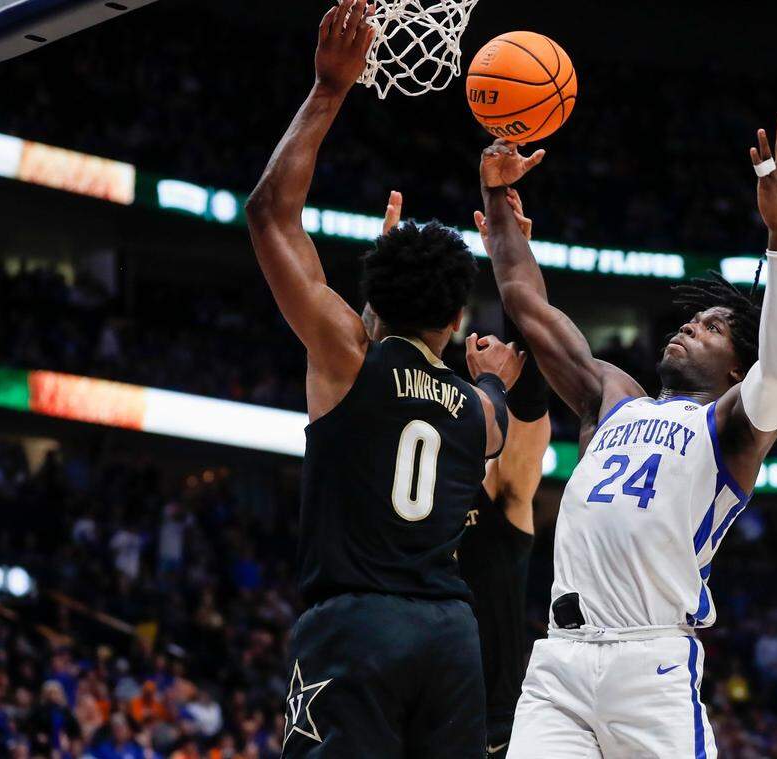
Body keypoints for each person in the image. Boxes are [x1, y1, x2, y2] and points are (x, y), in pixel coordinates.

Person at [478, 115, 777, 757]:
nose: (689, 327)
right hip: (559, 661)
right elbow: (528, 306)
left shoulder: (733, 425)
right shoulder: (612, 398)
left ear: (737, 370)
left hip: (650, 662)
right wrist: (497, 196)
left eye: (712, 328)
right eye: (691, 320)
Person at [244, 2, 524, 756]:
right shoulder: (477, 411)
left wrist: (328, 90)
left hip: (356, 626)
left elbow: (270, 215)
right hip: (451, 638)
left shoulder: (347, 357)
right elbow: (495, 412)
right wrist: (494, 377)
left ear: (372, 295)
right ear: (457, 318)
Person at [382, 189, 553, 755]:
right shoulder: (392, 471)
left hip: (489, 725)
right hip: (404, 711)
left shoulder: (500, 487)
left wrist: (516, 265)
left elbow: (530, 401)